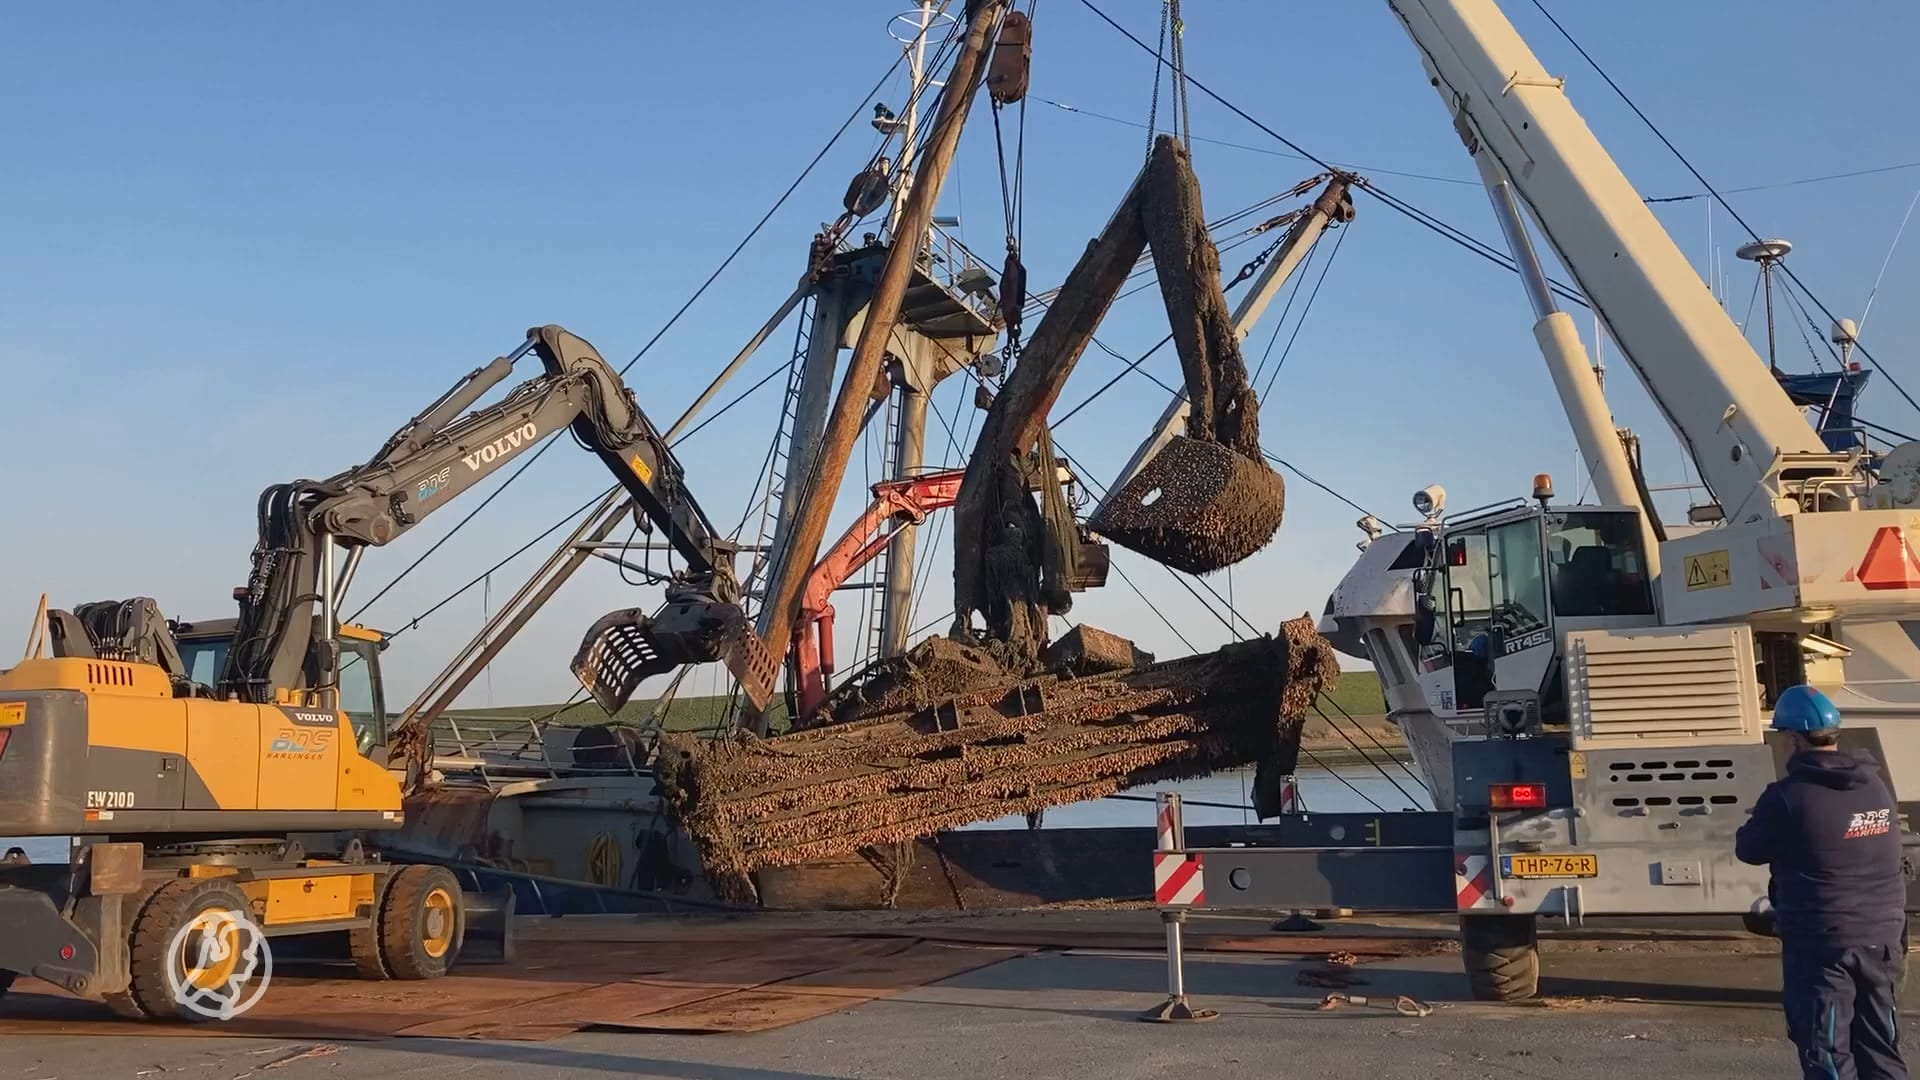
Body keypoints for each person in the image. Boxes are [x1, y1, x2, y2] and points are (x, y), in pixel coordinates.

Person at [1736, 684, 1909, 1080]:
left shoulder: (1787, 796)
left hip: (1823, 943)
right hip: (1882, 937)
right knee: (1880, 1044)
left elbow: (1749, 849)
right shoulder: (1874, 785)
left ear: (1794, 739)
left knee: (1826, 1046)